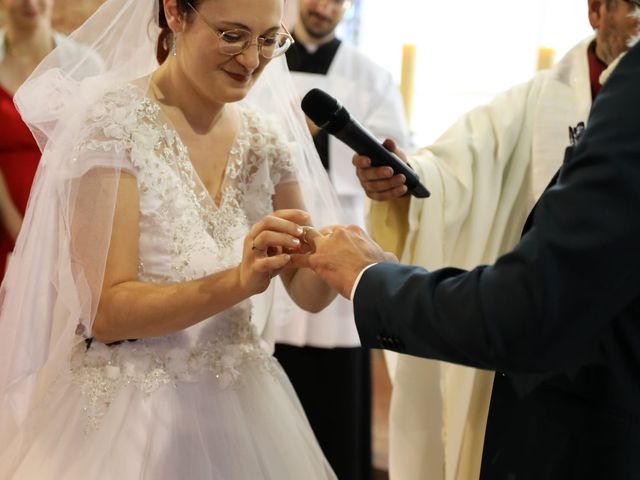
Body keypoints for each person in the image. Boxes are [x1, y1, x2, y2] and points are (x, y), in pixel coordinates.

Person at [0, 0, 344, 478]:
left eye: (269, 40)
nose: (251, 60)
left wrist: (339, 258)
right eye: (232, 35)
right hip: (131, 416)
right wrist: (238, 281)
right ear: (176, 14)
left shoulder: (266, 141)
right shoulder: (112, 125)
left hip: (244, 409)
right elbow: (106, 313)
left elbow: (307, 294)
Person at [300, 17, 640, 479]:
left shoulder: (631, 92)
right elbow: (461, 165)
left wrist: (370, 279)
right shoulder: (541, 97)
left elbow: (533, 300)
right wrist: (406, 186)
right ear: (597, 9)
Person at [271, 0, 408, 477]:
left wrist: (314, 135)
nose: (324, 7)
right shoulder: (261, 62)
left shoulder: (370, 75)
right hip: (277, 234)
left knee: (336, 407)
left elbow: (390, 156)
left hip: (340, 229)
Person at [0, 0, 95, 279]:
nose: (31, 2)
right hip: (5, 212)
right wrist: (15, 223)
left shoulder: (85, 63)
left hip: (67, 212)